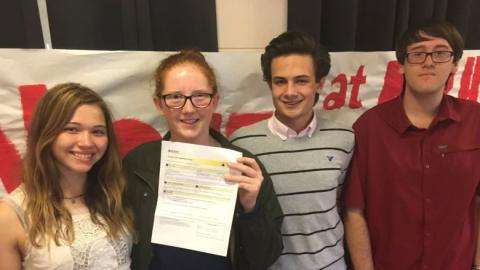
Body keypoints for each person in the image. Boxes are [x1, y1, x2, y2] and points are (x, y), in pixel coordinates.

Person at [123, 50, 283, 270]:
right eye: (175, 97)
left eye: (200, 96)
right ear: (159, 104)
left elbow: (265, 258)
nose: (188, 109)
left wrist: (251, 209)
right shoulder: (137, 163)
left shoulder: (245, 166)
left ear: (215, 101)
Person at [344, 20, 480, 270]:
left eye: (440, 53)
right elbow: (354, 211)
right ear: (401, 67)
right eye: (418, 53)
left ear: (454, 65)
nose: (429, 62)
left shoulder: (476, 121)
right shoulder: (369, 128)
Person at [230, 31, 355, 269]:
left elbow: (344, 207)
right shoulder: (242, 143)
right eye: (280, 81)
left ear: (319, 83)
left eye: (301, 80)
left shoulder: (344, 139)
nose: (290, 92)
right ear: (269, 84)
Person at [0, 83, 133, 269]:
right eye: (72, 129)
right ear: (46, 133)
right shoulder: (10, 215)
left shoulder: (113, 194)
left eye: (97, 131)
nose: (86, 142)